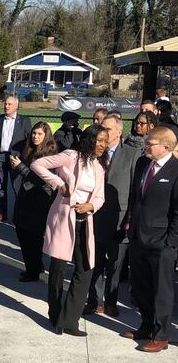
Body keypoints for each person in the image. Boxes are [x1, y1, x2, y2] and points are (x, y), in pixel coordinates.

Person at [31, 125, 108, 337]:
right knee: (57, 269)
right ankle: (54, 315)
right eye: (99, 140)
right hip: (64, 219)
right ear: (89, 139)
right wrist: (59, 183)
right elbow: (38, 164)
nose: (103, 144)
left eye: (105, 141)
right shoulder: (70, 156)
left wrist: (91, 206)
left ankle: (70, 320)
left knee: (86, 269)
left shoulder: (99, 167)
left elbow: (100, 196)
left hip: (85, 222)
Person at [122, 126, 178, 353]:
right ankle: (145, 326)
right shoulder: (143, 165)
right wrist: (130, 225)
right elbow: (135, 198)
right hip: (138, 237)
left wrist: (170, 243)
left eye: (151, 143)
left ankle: (161, 334)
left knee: (161, 291)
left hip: (162, 242)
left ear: (165, 147)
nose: (146, 145)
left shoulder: (175, 170)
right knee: (141, 286)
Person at [84, 115, 138, 317]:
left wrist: (129, 218)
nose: (103, 131)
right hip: (95, 216)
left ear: (118, 131)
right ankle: (94, 300)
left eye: (107, 128)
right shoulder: (94, 153)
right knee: (95, 261)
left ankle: (111, 301)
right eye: (101, 127)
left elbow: (134, 190)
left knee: (116, 265)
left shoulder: (132, 154)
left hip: (120, 218)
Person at [10, 122, 58, 282]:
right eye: (34, 133)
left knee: (34, 237)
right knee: (22, 232)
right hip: (26, 197)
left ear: (46, 136)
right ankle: (35, 266)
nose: (35, 136)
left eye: (39, 134)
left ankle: (33, 271)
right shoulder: (29, 149)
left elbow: (41, 178)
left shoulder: (50, 153)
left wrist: (20, 167)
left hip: (40, 200)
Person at [0, 95, 32, 222]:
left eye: (9, 104)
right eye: (5, 104)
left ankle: (19, 214)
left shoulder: (24, 121)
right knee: (0, 187)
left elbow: (28, 141)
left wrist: (23, 158)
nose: (6, 106)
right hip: (0, 157)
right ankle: (3, 213)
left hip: (16, 158)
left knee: (17, 186)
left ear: (16, 106)